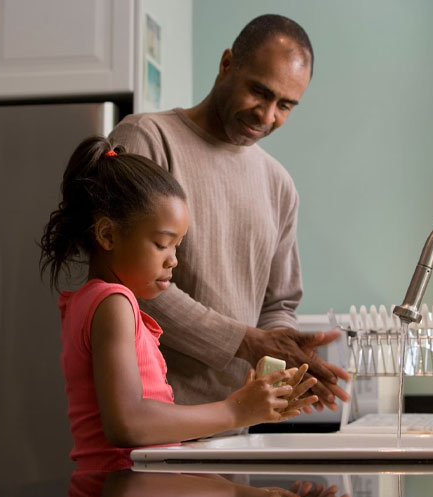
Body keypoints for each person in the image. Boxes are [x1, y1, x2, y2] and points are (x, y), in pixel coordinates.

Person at [109, 14, 350, 413]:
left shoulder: (278, 184)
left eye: (285, 105)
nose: (267, 115)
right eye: (260, 91)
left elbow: (279, 304)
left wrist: (285, 353)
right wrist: (247, 341)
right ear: (226, 65)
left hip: (235, 422)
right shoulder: (146, 139)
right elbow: (127, 282)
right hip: (151, 419)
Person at [39, 136, 318, 472]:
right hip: (121, 489)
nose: (174, 261)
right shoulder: (114, 303)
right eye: (162, 244)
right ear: (108, 235)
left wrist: (243, 408)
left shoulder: (93, 301)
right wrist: (235, 410)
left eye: (177, 246)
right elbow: (128, 424)